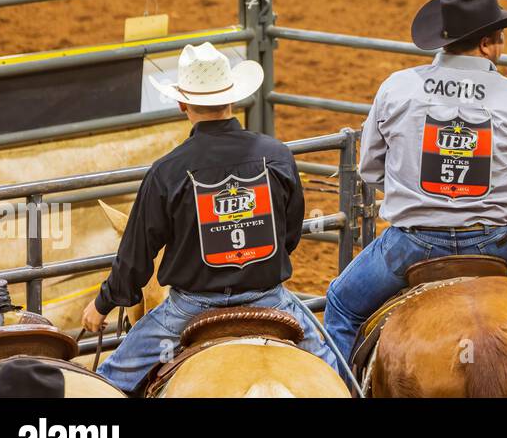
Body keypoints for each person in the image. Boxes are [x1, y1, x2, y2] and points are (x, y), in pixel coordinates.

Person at [323, 0, 507, 396]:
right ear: (486, 44)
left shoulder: (397, 88)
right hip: (502, 242)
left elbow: (370, 169)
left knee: (340, 306)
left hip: (412, 243)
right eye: (500, 39)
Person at [80, 44, 337, 393]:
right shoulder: (277, 157)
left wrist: (103, 303)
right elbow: (289, 235)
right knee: (335, 373)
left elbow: (135, 260)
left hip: (189, 309)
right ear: (232, 99)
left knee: (106, 384)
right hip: (269, 299)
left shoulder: (167, 172)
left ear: (183, 104)